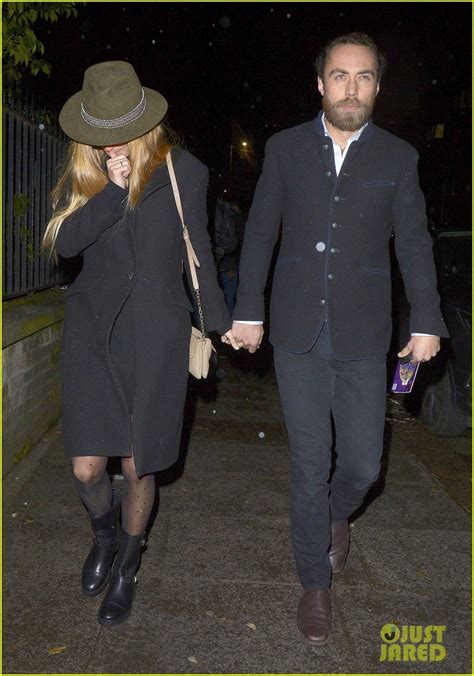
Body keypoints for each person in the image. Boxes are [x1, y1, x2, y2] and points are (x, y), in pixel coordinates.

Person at [230, 33, 448, 645]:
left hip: (363, 334)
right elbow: (260, 234)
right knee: (308, 464)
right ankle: (313, 584)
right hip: (298, 332)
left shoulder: (399, 159)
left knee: (360, 465)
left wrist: (426, 319)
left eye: (364, 77)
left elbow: (413, 243)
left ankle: (334, 517)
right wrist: (248, 310)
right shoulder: (285, 149)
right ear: (320, 83)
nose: (350, 88)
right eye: (339, 76)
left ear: (377, 86)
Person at [42, 61, 239, 626]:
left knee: (136, 466)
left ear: (145, 120)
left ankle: (128, 564)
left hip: (155, 333)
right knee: (86, 467)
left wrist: (225, 324)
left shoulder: (183, 171)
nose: (114, 142)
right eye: (101, 132)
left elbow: (199, 253)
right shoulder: (87, 172)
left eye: (122, 128)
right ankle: (103, 538)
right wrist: (110, 191)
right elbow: (67, 246)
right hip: (91, 332)